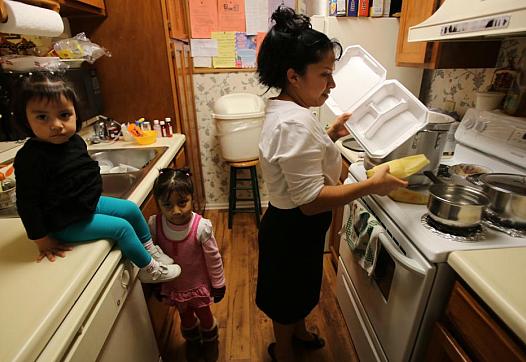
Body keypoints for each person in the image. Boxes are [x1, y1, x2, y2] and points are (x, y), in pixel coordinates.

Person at [256, 7, 408, 362]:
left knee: (300, 289)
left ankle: (300, 331)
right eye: (325, 75)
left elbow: (296, 162)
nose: (333, 84)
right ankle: (285, 350)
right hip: (293, 227)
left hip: (296, 228)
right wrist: (371, 186)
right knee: (285, 299)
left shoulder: (287, 112)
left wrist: (329, 134)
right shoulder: (294, 123)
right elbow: (310, 200)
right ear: (294, 76)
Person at [13, 72, 180, 284]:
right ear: (25, 119)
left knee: (130, 209)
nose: (56, 124)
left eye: (64, 115)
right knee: (122, 228)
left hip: (85, 206)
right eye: (42, 117)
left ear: (76, 114)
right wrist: (42, 240)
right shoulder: (30, 157)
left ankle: (150, 250)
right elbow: (27, 204)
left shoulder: (74, 141)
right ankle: (149, 269)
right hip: (63, 222)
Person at [150, 167, 226, 362]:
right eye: (168, 205)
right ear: (159, 205)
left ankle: (210, 340)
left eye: (182, 202)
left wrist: (219, 284)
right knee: (185, 316)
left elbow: (214, 258)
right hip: (175, 286)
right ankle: (192, 341)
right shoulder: (155, 225)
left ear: (192, 198)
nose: (176, 211)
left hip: (197, 285)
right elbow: (153, 256)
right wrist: (157, 284)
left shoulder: (200, 227)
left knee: (204, 314)